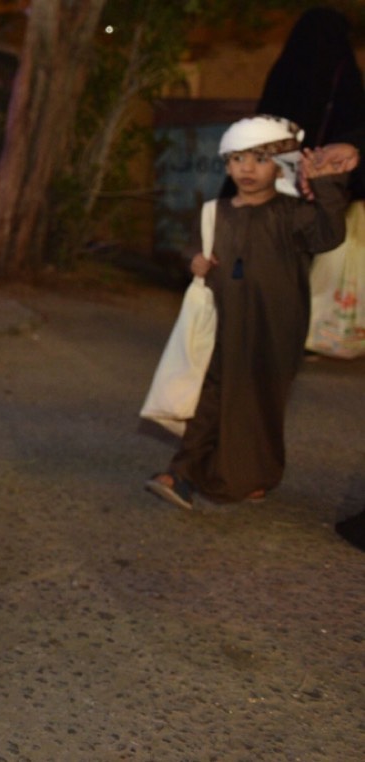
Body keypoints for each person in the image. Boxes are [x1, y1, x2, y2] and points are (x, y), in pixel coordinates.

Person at [145, 114, 354, 510]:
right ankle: (181, 473)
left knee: (262, 402)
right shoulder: (216, 212)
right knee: (212, 396)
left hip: (277, 326)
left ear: (280, 167)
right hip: (222, 323)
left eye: (260, 159)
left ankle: (256, 474)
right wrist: (194, 262)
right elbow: (195, 250)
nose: (248, 168)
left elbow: (329, 234)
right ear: (227, 165)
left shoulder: (292, 213)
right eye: (238, 159)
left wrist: (327, 185)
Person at [249, 7, 365, 357]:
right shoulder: (344, 73)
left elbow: (266, 121)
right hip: (324, 175)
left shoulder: (288, 67)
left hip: (287, 172)